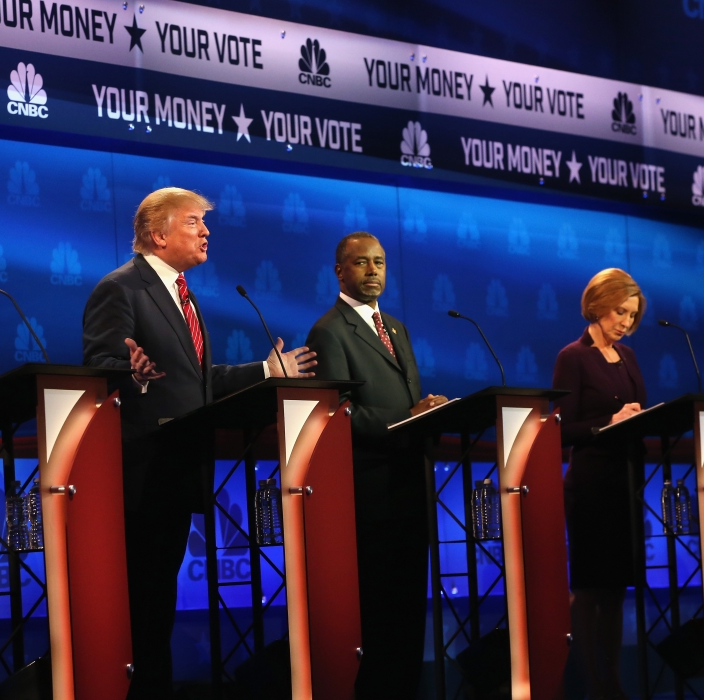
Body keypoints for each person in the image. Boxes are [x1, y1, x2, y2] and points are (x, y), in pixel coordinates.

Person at [82, 187, 316, 699]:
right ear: (158, 233)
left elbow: (197, 380)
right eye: (193, 223)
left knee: (158, 608)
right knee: (141, 610)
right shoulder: (121, 288)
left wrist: (264, 371)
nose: (206, 231)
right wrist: (132, 372)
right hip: (141, 475)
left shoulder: (182, 294)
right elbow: (101, 366)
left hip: (177, 471)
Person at [304, 231, 446, 699]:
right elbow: (339, 414)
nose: (373, 271)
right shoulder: (328, 331)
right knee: (379, 616)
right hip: (370, 495)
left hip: (410, 487)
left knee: (409, 613)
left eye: (380, 262)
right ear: (340, 271)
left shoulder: (398, 328)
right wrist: (406, 418)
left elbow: (407, 403)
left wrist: (426, 409)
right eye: (361, 263)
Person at [552, 268, 647, 700]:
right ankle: (585, 685)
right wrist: (608, 423)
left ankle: (611, 682)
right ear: (598, 304)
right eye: (620, 311)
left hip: (624, 486)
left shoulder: (628, 358)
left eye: (632, 314)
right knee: (590, 590)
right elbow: (561, 429)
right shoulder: (573, 356)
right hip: (591, 489)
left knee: (616, 592)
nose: (626, 321)